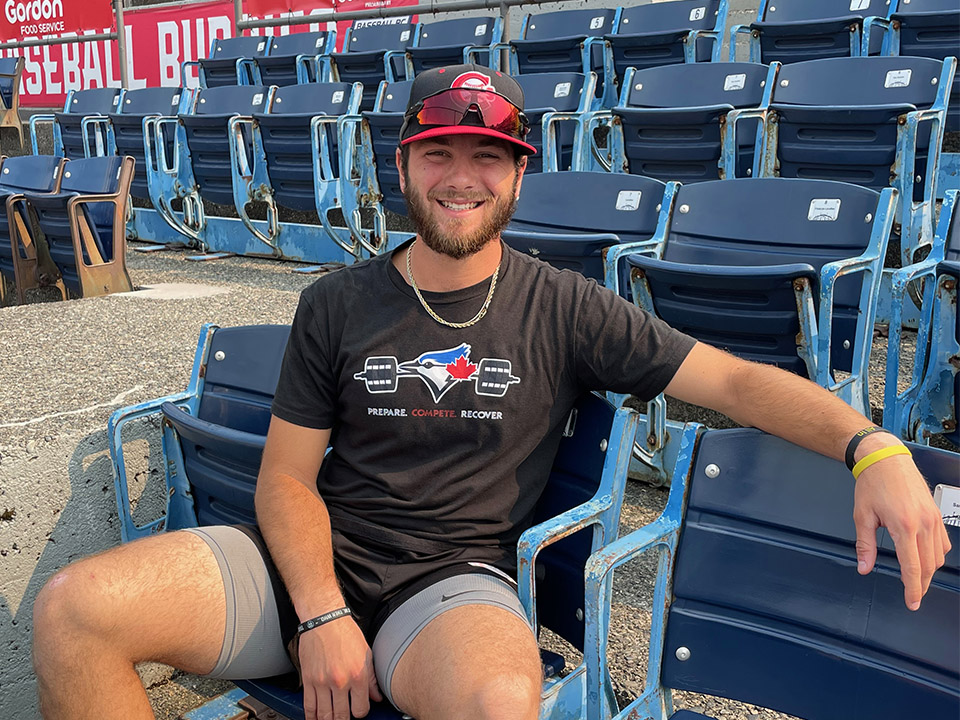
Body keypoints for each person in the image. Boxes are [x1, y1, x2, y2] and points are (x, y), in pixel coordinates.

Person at [32, 64, 949, 720]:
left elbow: (740, 381)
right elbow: (284, 481)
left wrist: (876, 447)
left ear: (516, 176)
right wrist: (322, 615)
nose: (461, 178)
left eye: (487, 157)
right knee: (75, 610)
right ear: (402, 167)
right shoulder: (337, 301)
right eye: (439, 155)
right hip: (306, 569)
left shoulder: (566, 308)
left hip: (449, 586)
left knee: (502, 703)